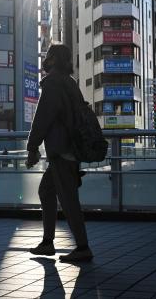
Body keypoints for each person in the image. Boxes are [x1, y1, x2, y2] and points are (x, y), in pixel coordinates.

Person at [26, 44, 93, 263]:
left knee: (68, 200)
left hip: (62, 150)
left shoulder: (54, 83)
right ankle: (47, 242)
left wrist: (32, 146)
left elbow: (43, 117)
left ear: (53, 59)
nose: (45, 59)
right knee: (46, 191)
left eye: (48, 56)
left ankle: (82, 247)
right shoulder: (69, 82)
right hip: (70, 149)